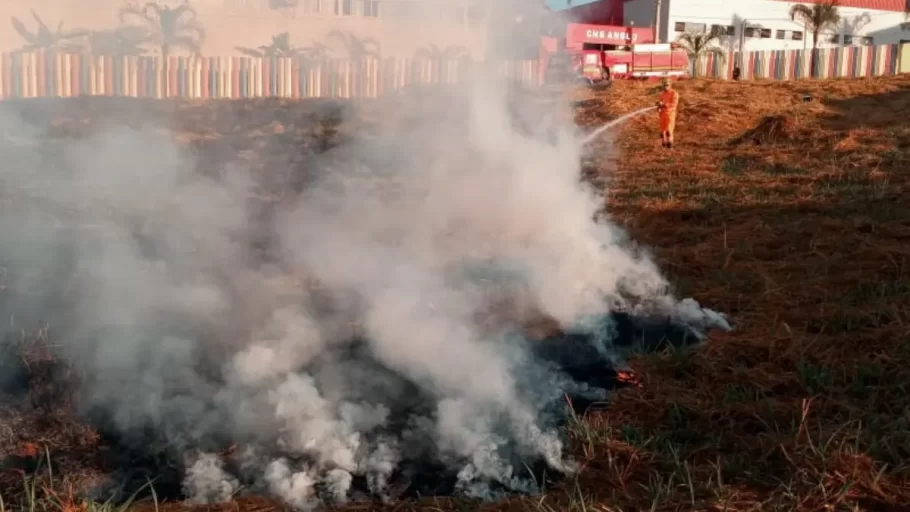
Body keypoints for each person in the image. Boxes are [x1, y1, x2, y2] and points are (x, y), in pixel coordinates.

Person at [656, 78, 679, 148]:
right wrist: (659, 107)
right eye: (664, 85)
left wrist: (665, 104)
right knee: (662, 131)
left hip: (670, 115)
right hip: (662, 115)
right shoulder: (662, 94)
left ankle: (670, 143)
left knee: (669, 130)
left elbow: (674, 104)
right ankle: (664, 143)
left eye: (667, 85)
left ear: (670, 85)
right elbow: (660, 103)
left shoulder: (674, 93)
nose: (665, 87)